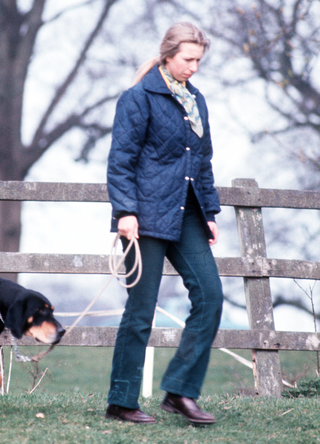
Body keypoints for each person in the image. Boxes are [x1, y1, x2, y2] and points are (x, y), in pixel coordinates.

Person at [106, 22, 223, 425]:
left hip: (187, 213)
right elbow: (121, 160)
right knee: (141, 312)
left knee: (210, 297)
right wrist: (125, 212)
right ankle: (122, 401)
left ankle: (180, 392)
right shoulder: (138, 98)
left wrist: (209, 213)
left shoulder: (197, 101)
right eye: (188, 59)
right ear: (168, 55)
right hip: (145, 215)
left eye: (198, 61)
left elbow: (202, 162)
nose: (194, 67)